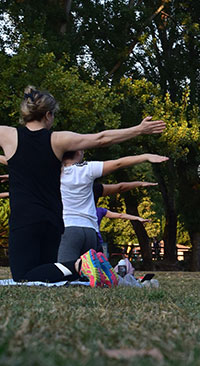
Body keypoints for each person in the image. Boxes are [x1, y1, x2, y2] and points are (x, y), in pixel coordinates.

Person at [0, 86, 165, 284]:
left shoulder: (7, 135)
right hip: (53, 220)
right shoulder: (58, 140)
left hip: (25, 219)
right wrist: (138, 130)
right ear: (48, 115)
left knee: (23, 277)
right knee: (47, 275)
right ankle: (86, 267)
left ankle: (80, 265)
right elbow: (101, 138)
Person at [58, 151, 167, 261]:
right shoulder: (87, 170)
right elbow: (118, 168)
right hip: (90, 230)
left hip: (67, 227)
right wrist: (145, 157)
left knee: (65, 271)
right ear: (78, 152)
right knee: (91, 273)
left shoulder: (52, 172)